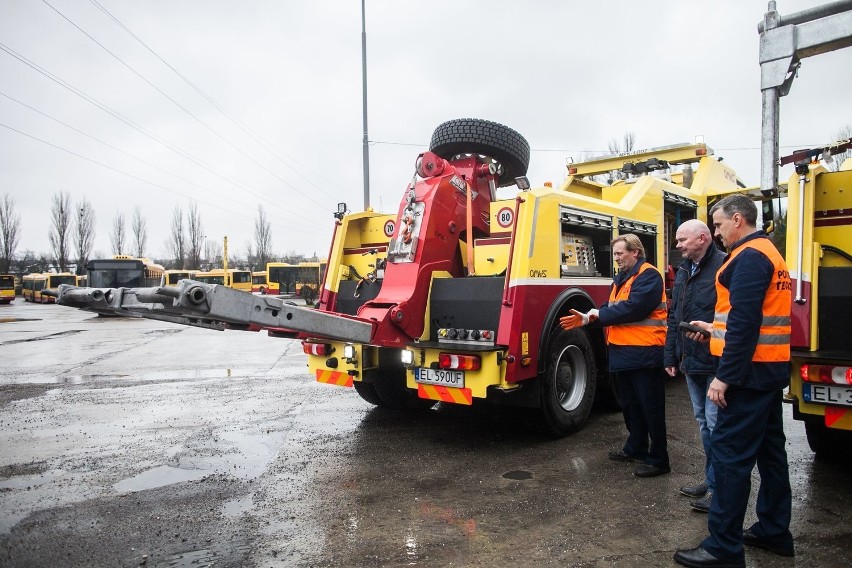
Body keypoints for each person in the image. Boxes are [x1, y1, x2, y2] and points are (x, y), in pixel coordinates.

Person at [674, 194, 794, 568]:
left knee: (728, 458)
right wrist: (712, 329)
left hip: (746, 376)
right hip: (767, 373)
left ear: (738, 220)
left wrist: (723, 378)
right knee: (771, 455)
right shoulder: (768, 254)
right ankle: (774, 532)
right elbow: (746, 321)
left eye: (719, 224)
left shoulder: (748, 257)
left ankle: (722, 548)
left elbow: (745, 324)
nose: (717, 232)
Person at [561, 234, 670, 477]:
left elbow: (634, 308)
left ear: (636, 252)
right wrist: (591, 315)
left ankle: (659, 459)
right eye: (615, 254)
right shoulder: (621, 279)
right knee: (630, 406)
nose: (617, 258)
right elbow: (610, 308)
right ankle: (636, 448)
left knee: (650, 408)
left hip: (644, 353)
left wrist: (593, 316)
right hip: (622, 352)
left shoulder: (649, 276)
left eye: (620, 253)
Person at [664, 219, 724, 514]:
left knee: (716, 428)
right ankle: (711, 481)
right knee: (704, 425)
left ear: (702, 239)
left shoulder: (724, 268)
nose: (677, 245)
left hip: (714, 364)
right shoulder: (686, 270)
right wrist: (670, 357)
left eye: (682, 240)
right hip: (691, 363)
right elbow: (674, 318)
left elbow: (731, 319)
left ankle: (719, 490)